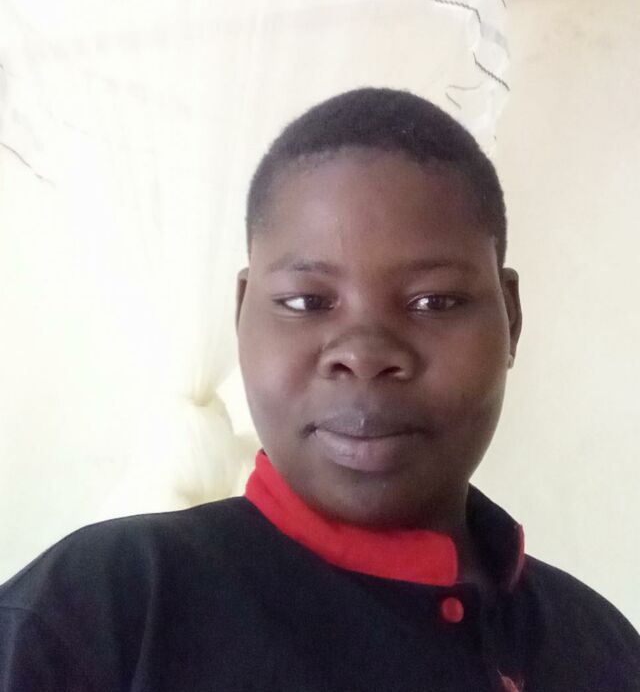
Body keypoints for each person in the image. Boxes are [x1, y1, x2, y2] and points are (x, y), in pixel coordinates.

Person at [1, 88, 638, 691]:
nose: (363, 355)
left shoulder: (601, 647)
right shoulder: (96, 615)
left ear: (511, 318)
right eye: (307, 301)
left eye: (434, 301)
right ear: (243, 312)